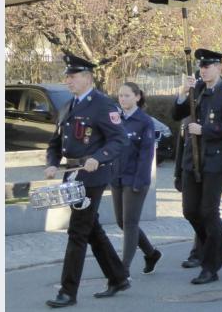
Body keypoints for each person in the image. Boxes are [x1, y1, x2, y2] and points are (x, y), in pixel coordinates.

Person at [44, 54, 130, 308]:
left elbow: (119, 139)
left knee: (77, 231)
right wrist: (51, 162)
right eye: (67, 77)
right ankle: (118, 277)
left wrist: (98, 157)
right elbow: (55, 143)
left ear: (87, 77)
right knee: (91, 228)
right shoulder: (67, 107)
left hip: (92, 177)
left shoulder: (102, 105)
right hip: (72, 176)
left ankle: (68, 292)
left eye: (73, 76)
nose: (68, 80)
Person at [172, 48, 222, 285]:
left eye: (208, 66)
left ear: (219, 67)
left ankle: (210, 267)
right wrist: (183, 93)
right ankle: (219, 244)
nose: (204, 70)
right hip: (193, 161)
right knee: (190, 211)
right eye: (201, 67)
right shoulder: (198, 91)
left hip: (215, 161)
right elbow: (176, 113)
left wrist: (205, 131)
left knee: (208, 213)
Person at [111, 82, 162, 278]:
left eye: (126, 95)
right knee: (121, 222)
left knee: (130, 223)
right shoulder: (116, 119)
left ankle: (123, 269)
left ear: (137, 97)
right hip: (118, 177)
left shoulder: (144, 121)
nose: (122, 99)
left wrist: (139, 182)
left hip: (135, 179)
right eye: (120, 96)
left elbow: (146, 155)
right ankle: (151, 253)